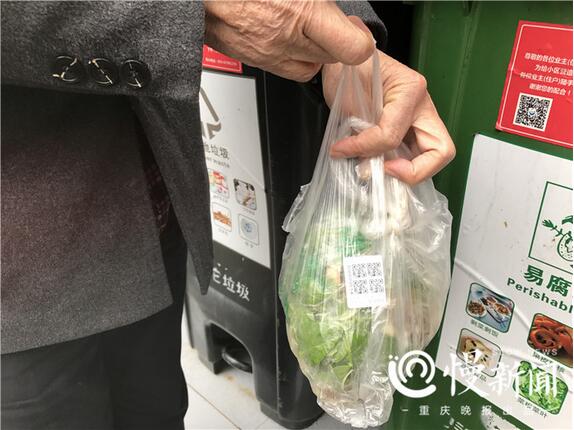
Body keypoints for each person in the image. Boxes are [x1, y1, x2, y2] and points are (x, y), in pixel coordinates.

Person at [1, 1, 454, 429]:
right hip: (24, 264)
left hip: (156, 211)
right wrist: (190, 9)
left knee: (157, 409)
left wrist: (343, 44)